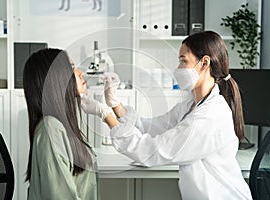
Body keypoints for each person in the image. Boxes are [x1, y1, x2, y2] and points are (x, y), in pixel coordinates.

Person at [81, 31, 253, 199]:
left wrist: (105, 114)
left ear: (204, 63)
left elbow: (149, 151)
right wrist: (115, 104)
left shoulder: (209, 116)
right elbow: (150, 127)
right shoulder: (190, 106)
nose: (178, 68)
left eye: (183, 61)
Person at [23, 48, 108, 199]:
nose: (81, 73)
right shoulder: (52, 129)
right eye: (72, 67)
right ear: (56, 77)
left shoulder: (61, 126)